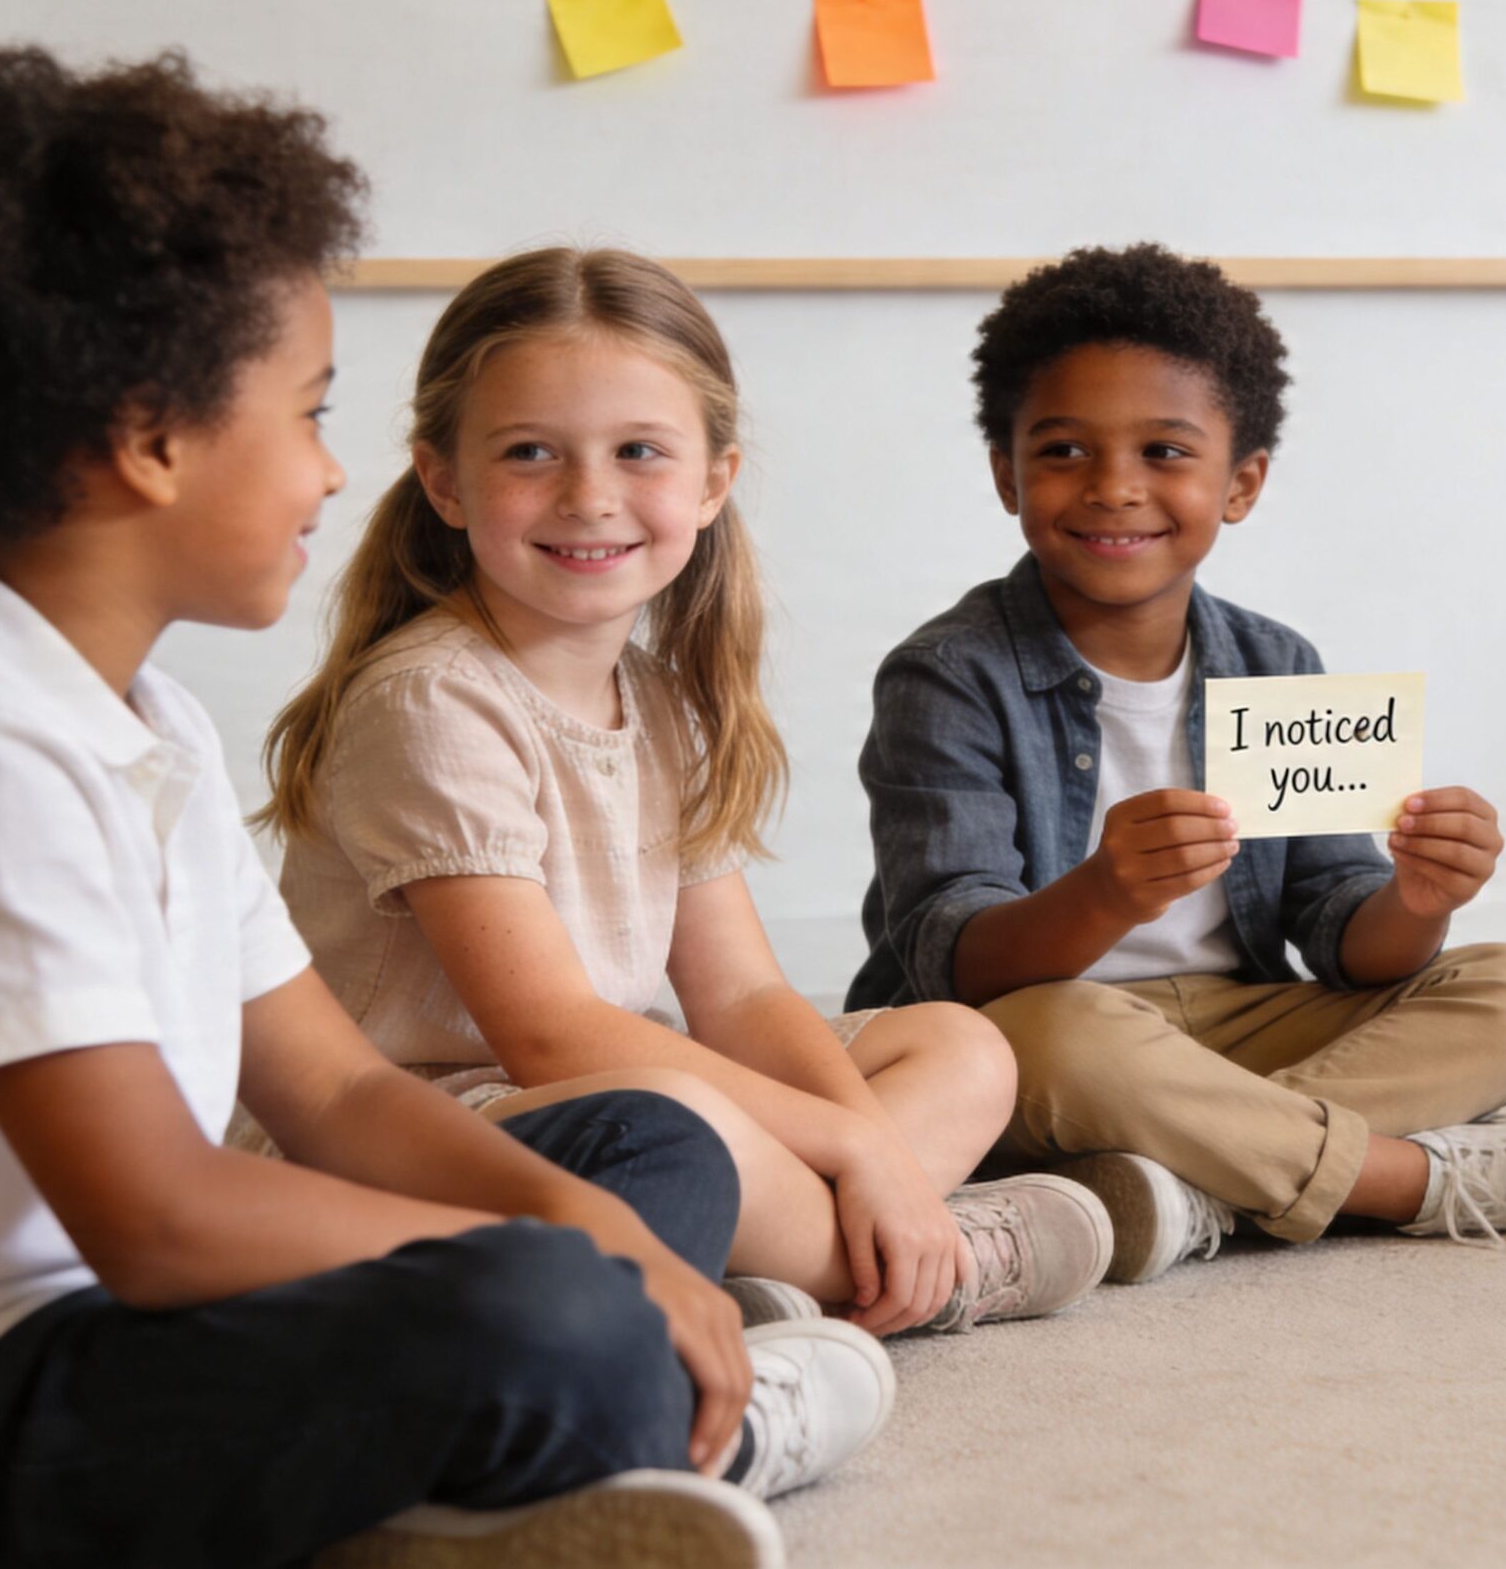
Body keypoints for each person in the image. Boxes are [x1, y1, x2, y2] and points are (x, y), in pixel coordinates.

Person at [0, 50, 885, 1569]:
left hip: (88, 1337)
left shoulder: (131, 717)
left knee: (641, 1151)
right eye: (306, 411)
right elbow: (161, 1221)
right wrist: (570, 1257)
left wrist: (599, 1223)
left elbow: (342, 1096)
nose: (332, 467)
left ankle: (556, 1426)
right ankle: (647, 1416)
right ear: (154, 438)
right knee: (541, 1293)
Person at [259, 247, 1110, 1337]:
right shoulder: (431, 700)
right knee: (683, 1115)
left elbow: (744, 996)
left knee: (960, 1046)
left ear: (713, 480)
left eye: (638, 452)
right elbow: (553, 1039)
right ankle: (917, 1268)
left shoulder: (663, 697)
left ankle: (792, 1264)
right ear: (444, 480)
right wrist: (855, 1152)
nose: (589, 497)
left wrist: (870, 1151)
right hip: (447, 1123)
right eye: (529, 452)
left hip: (620, 1089)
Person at [850, 242, 1506, 1285]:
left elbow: (1345, 933)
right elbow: (951, 957)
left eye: (1166, 453)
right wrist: (1103, 892)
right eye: (1063, 452)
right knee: (1057, 1036)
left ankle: (1194, 1180)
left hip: (1238, 1030)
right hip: (1050, 1032)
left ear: (1243, 483)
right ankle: (1403, 1182)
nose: (1115, 488)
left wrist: (1415, 899)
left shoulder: (1277, 664)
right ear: (1007, 474)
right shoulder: (948, 674)